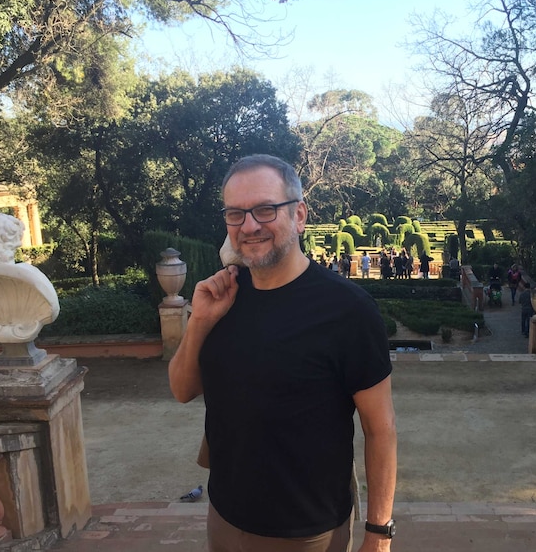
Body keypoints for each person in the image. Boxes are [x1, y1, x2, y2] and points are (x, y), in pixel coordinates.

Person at [168, 154, 397, 552]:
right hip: (223, 517)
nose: (250, 225)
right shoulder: (224, 296)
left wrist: (378, 535)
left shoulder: (347, 310)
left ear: (300, 215)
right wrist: (201, 320)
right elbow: (182, 389)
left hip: (307, 532)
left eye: (265, 209)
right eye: (235, 214)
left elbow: (380, 429)